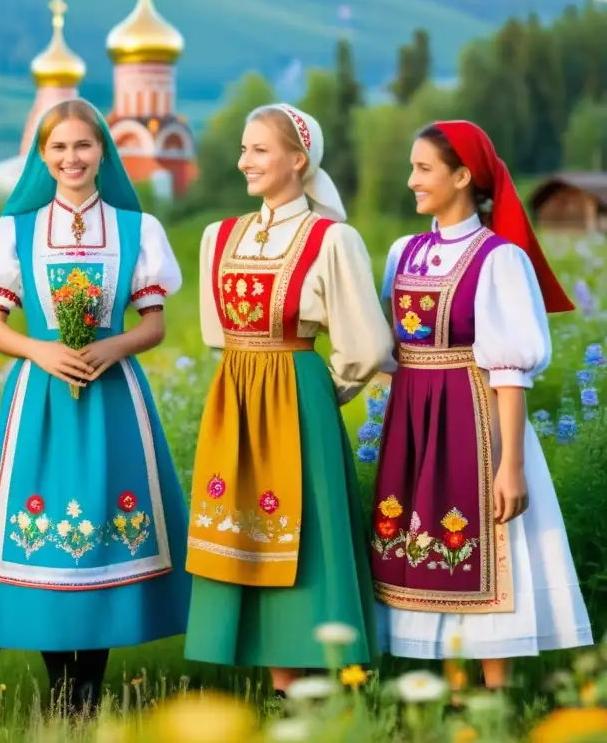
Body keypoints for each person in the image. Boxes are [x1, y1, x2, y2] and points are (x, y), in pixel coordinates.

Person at [0, 98, 191, 713]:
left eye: (84, 146)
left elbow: (154, 325)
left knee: (100, 535)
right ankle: (58, 687)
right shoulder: (16, 231)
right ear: (42, 156)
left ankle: (88, 691)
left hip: (113, 395)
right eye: (59, 148)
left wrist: (110, 347)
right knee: (46, 536)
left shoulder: (136, 228)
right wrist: (40, 352)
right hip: (40, 398)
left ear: (103, 152)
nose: (72, 158)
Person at [371, 120, 593, 689]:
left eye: (424, 168)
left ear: (463, 175)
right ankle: (451, 690)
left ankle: (494, 695)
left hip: (473, 421)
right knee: (423, 548)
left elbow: (510, 371)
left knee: (491, 547)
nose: (411, 180)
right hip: (412, 421)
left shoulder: (499, 259)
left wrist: (510, 465)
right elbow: (387, 345)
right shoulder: (405, 252)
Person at [184, 104, 391, 694]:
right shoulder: (217, 236)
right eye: (244, 149)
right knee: (246, 533)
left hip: (297, 395)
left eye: (258, 150)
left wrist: (324, 393)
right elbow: (212, 330)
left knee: (310, 536)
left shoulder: (332, 240)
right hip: (236, 393)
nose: (244, 160)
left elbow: (367, 344)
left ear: (298, 160)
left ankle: (327, 686)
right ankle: (280, 685)